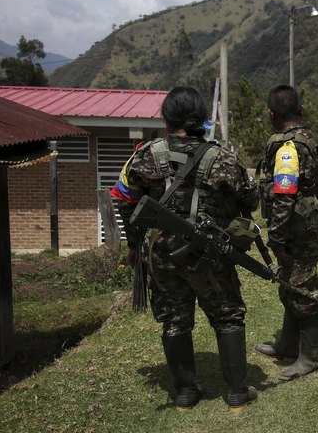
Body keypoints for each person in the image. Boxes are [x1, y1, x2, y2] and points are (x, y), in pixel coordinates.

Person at [111, 86, 259, 412]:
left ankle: (185, 393)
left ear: (167, 117)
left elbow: (124, 199)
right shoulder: (223, 156)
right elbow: (251, 199)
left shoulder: (145, 154)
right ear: (201, 118)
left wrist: (135, 245)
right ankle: (236, 392)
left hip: (162, 255)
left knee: (175, 320)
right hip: (210, 254)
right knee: (228, 316)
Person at [254, 85, 318, 380]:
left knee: (303, 289)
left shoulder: (286, 148)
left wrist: (277, 238)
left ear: (272, 114)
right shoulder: (310, 139)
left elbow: (284, 196)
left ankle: (310, 357)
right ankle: (287, 343)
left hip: (296, 231)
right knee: (289, 284)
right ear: (301, 110)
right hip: (304, 225)